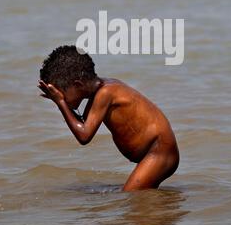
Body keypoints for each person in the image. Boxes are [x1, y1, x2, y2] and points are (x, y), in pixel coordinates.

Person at [38, 45, 179, 192]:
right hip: (154, 153)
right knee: (143, 200)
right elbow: (82, 123)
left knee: (131, 197)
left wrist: (60, 103)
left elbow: (84, 135)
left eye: (61, 93)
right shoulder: (99, 91)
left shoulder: (105, 93)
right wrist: (59, 100)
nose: (62, 98)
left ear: (78, 85)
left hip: (159, 151)